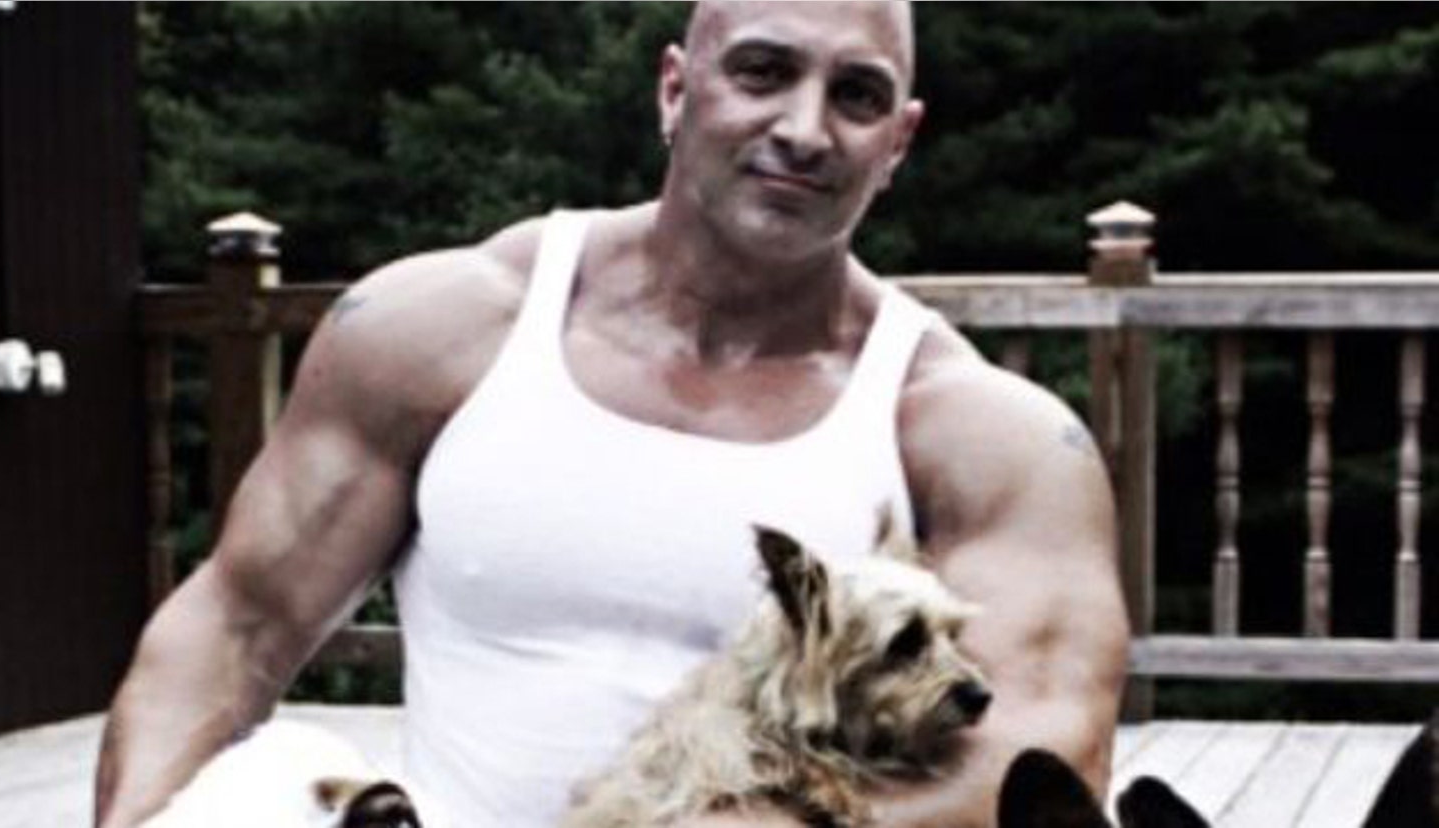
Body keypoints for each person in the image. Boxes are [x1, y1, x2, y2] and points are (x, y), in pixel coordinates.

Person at [94, 2, 1128, 826]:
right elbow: (234, 628)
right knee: (287, 772)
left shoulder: (981, 430)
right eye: (762, 72)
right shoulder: (441, 328)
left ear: (898, 141)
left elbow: (1039, 751)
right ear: (676, 88)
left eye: (856, 96)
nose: (805, 130)